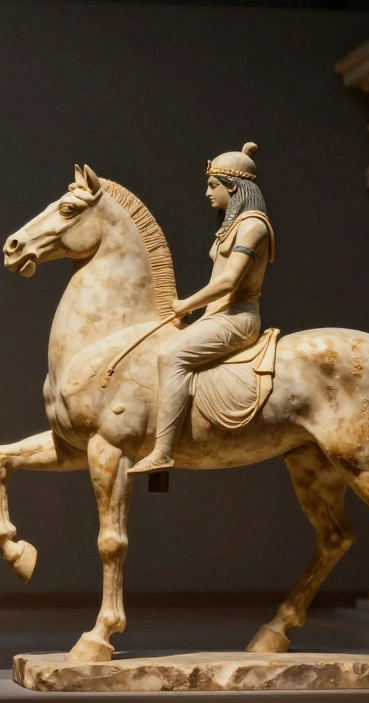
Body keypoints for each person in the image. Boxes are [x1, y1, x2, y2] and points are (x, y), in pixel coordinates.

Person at [128, 142, 275, 475]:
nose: (207, 192)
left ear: (232, 187)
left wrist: (186, 304)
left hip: (237, 318)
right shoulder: (233, 226)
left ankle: (163, 451)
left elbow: (229, 282)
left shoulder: (253, 226)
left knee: (171, 357)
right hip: (218, 316)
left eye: (213, 185)